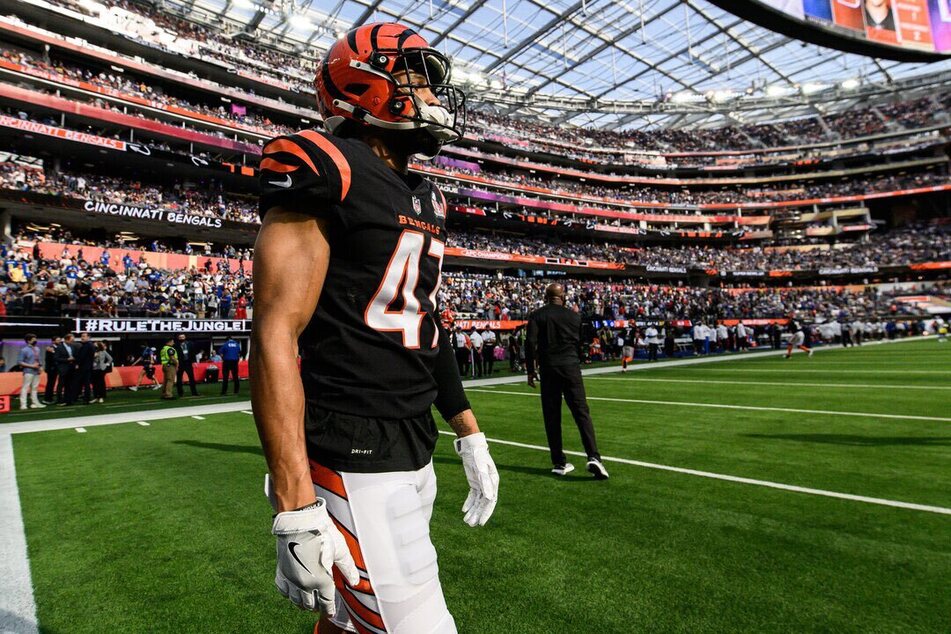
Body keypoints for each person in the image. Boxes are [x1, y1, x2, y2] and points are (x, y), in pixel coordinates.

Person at [252, 23, 498, 634]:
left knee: (346, 627)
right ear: (362, 84)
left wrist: (468, 432)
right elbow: (274, 331)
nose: (432, 92)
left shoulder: (428, 195)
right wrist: (292, 499)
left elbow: (423, 319)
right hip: (353, 446)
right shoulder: (325, 164)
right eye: (415, 75)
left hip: (413, 441)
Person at [525, 283, 608, 480]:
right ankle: (594, 456)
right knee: (581, 412)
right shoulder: (574, 316)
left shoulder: (538, 315)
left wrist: (530, 370)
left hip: (548, 368)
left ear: (546, 296)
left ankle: (559, 461)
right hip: (570, 367)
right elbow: (581, 343)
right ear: (563, 297)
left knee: (552, 416)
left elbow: (530, 343)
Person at [18, 333, 44, 409]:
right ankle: (23, 404)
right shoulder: (24, 350)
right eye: (33, 339)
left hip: (36, 371)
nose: (35, 340)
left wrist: (41, 366)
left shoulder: (37, 349)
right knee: (25, 387)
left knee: (35, 387)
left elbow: (39, 359)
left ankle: (35, 403)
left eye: (35, 339)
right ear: (28, 341)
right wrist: (31, 366)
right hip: (28, 371)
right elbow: (19, 361)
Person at [53, 333, 76, 405]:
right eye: (71, 340)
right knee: (61, 385)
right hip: (63, 369)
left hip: (71, 368)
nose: (72, 342)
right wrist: (67, 359)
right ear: (66, 340)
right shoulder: (59, 347)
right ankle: (59, 399)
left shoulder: (72, 346)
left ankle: (69, 399)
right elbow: (56, 358)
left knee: (70, 385)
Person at [42, 336, 60, 404]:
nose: (59, 341)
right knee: (50, 383)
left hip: (56, 369)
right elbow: (49, 359)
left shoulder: (58, 348)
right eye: (57, 340)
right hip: (51, 369)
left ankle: (51, 397)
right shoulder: (50, 348)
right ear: (53, 341)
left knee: (53, 383)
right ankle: (48, 398)